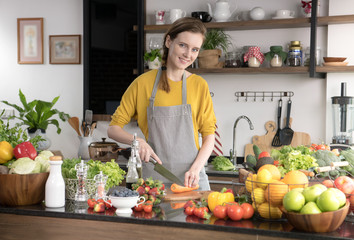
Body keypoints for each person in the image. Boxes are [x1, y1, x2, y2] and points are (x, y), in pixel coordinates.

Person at [107, 17, 216, 190]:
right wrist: (138, 141)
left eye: (195, 49)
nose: (188, 54)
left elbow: (210, 136)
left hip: (193, 181)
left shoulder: (199, 85)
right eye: (183, 45)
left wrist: (195, 169)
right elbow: (113, 129)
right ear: (168, 41)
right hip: (153, 183)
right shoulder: (142, 83)